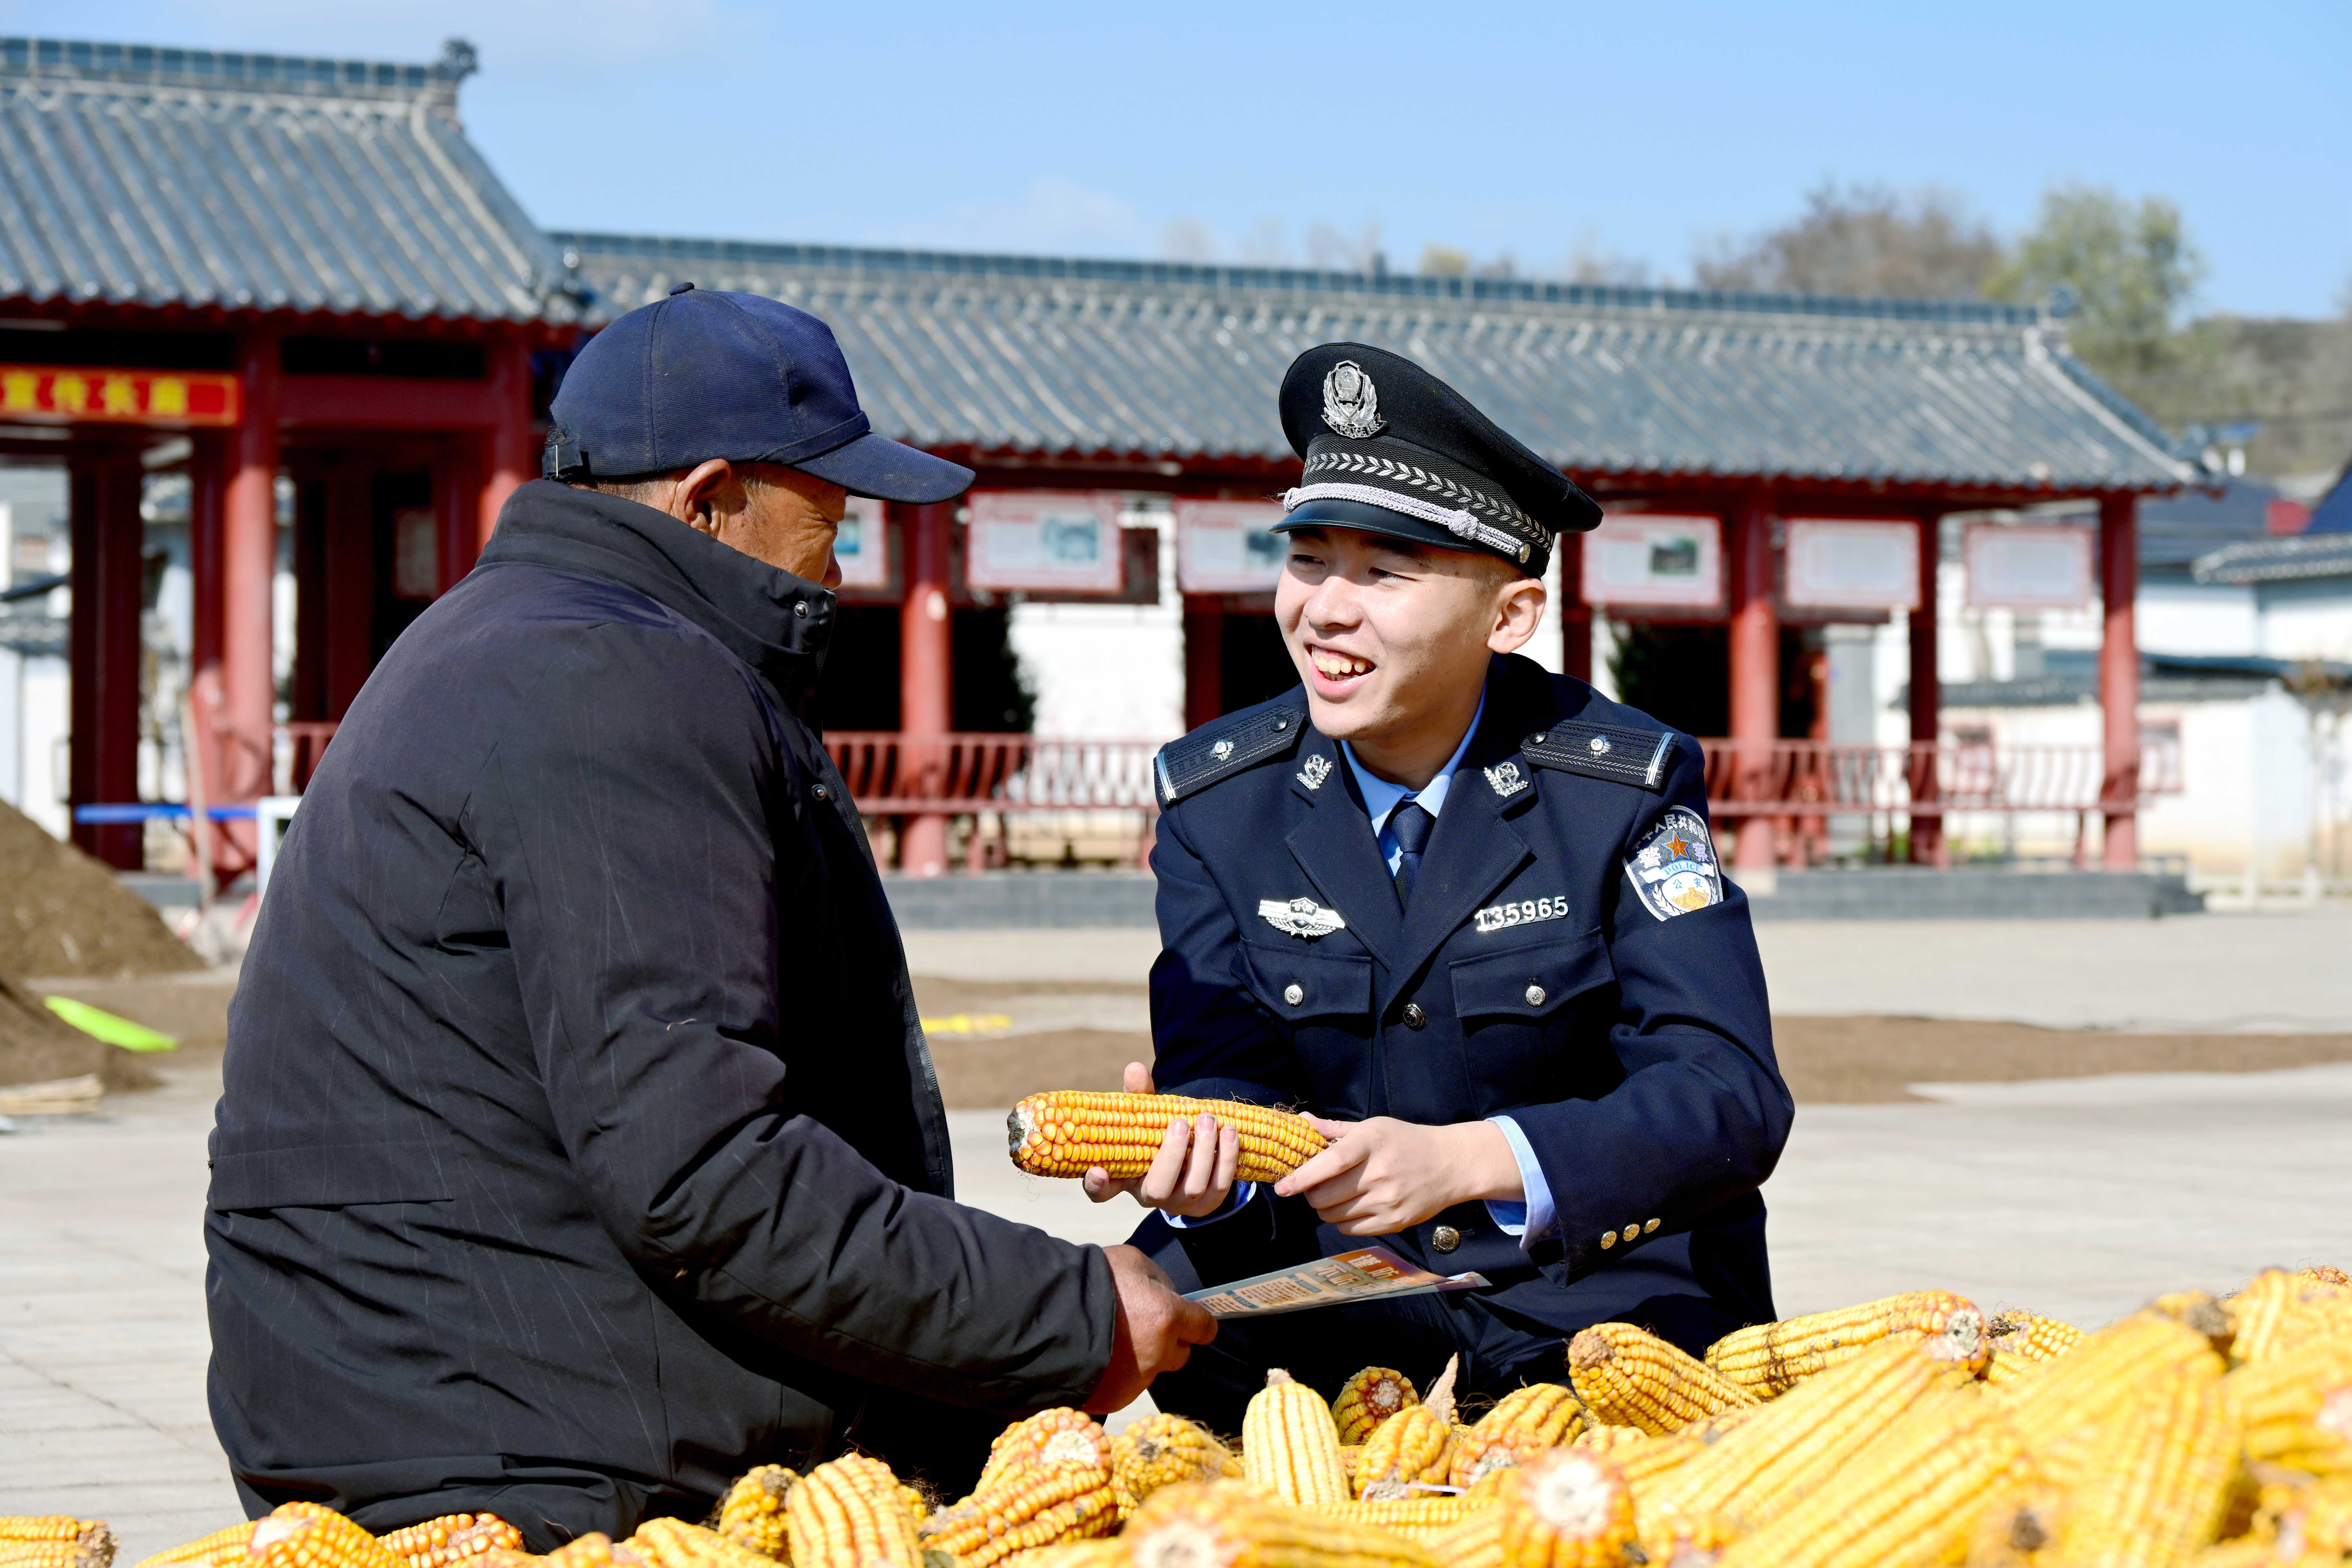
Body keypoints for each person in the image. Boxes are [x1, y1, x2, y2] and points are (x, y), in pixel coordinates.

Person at [205, 285, 1213, 1548]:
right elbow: (699, 1169)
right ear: (711, 495)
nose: (839, 570)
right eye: (828, 524)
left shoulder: (498, 638)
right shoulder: (618, 683)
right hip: (527, 1449)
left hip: (436, 1388)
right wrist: (1066, 1314)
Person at [1095, 342, 1791, 1428]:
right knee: (1128, 1318)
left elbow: (1727, 1095)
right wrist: (1204, 1162)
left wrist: (1469, 1161)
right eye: (1309, 559)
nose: (1326, 610)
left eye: (1384, 574)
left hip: (1591, 1299)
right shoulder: (1220, 805)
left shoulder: (1617, 788)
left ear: (1508, 618)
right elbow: (1224, 1071)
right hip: (1330, 1287)